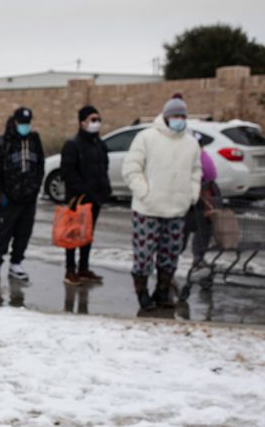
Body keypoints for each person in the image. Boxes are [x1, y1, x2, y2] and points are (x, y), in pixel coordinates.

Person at [122, 96, 202, 310]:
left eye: (183, 116)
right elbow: (131, 168)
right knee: (144, 255)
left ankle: (162, 291)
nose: (179, 119)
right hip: (148, 209)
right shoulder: (146, 137)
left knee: (170, 254)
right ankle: (142, 293)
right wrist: (144, 192)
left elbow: (196, 171)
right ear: (166, 116)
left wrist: (192, 194)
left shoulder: (191, 142)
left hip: (176, 210)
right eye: (175, 115)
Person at [0, 107, 45, 284]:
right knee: (3, 232)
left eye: (28, 123)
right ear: (15, 122)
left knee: (23, 232)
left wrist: (35, 188)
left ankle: (16, 263)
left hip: (29, 197)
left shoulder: (34, 141)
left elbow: (40, 166)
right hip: (9, 198)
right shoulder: (4, 142)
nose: (25, 126)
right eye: (22, 123)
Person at [59, 105, 112, 285]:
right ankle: (70, 270)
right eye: (92, 120)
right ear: (82, 123)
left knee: (87, 234)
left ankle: (83, 267)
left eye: (98, 119)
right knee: (73, 235)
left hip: (95, 198)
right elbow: (67, 171)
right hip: (78, 198)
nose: (96, 123)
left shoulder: (100, 144)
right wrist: (82, 190)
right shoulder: (73, 145)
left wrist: (105, 189)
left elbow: (103, 167)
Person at [182, 145, 218, 267]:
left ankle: (196, 259)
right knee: (202, 229)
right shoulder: (203, 156)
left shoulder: (192, 156)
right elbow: (212, 175)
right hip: (199, 201)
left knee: (186, 230)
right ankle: (198, 258)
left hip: (193, 201)